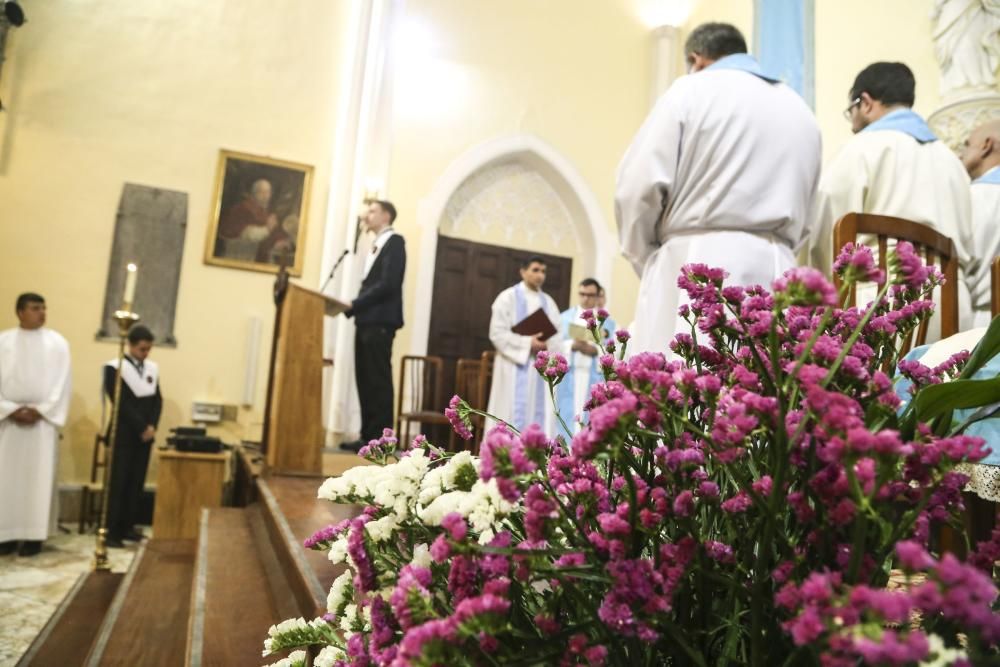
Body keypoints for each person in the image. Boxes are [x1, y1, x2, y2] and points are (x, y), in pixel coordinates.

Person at [615, 22, 821, 356]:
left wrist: (649, 260)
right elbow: (810, 208)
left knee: (686, 393)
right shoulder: (800, 109)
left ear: (697, 59)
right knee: (766, 392)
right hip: (778, 264)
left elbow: (637, 189)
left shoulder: (689, 91)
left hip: (694, 258)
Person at [808, 62, 975, 330]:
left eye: (851, 111)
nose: (852, 124)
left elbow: (825, 233)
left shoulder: (860, 148)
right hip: (953, 306)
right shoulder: (953, 163)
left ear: (865, 102)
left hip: (881, 303)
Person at [0, 293, 71, 557]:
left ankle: (33, 536)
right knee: (5, 479)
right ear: (19, 312)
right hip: (8, 423)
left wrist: (40, 411)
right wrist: (10, 409)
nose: (42, 313)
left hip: (42, 424)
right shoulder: (3, 341)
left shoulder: (57, 343)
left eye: (44, 308)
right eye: (35, 308)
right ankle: (4, 535)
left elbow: (63, 382)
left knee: (37, 480)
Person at [341, 200, 406, 453]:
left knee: (377, 380)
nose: (365, 216)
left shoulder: (395, 242)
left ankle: (381, 440)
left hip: (380, 321)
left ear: (386, 215)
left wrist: (354, 303)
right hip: (367, 319)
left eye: (371, 211)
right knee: (365, 379)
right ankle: (367, 436)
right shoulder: (374, 245)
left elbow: (389, 283)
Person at [486, 256, 562, 434]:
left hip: (538, 369)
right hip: (512, 367)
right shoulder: (507, 298)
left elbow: (558, 336)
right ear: (523, 271)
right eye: (535, 270)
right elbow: (497, 333)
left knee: (538, 414)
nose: (540, 275)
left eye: (543, 271)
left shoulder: (549, 303)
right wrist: (528, 343)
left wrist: (545, 344)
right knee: (509, 413)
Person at [103, 325, 161, 548]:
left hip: (144, 437)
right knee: (119, 483)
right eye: (142, 349)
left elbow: (158, 400)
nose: (145, 354)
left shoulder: (151, 369)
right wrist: (141, 427)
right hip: (124, 434)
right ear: (131, 345)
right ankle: (111, 532)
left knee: (136, 482)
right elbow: (120, 402)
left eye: (148, 350)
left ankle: (127, 526)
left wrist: (152, 426)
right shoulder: (114, 367)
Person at [555, 278, 614, 439]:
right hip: (569, 376)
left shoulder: (607, 322)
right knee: (567, 415)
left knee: (590, 419)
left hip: (594, 376)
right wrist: (572, 346)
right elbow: (554, 345)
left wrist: (594, 350)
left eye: (590, 295)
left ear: (597, 296)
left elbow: (612, 349)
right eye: (582, 294)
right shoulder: (564, 318)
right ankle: (565, 454)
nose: (586, 298)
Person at [960, 120, 1000, 328]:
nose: (961, 154)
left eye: (966, 145)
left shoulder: (971, 197)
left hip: (982, 323)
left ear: (986, 145)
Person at [218, 178, 291, 263]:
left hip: (262, 257)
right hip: (243, 257)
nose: (265, 196)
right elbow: (245, 234)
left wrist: (281, 241)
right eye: (261, 192)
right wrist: (267, 229)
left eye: (268, 192)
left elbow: (276, 234)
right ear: (253, 194)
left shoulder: (266, 212)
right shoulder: (242, 209)